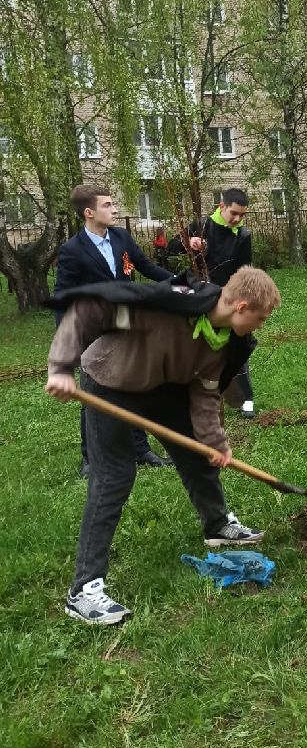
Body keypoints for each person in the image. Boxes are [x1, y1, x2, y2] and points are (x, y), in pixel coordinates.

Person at [46, 265, 281, 625]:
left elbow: (204, 392)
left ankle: (217, 526)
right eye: (260, 319)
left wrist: (215, 443)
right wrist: (61, 366)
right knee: (114, 477)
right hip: (112, 379)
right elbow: (87, 311)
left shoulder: (223, 339)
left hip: (162, 386)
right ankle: (84, 591)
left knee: (197, 454)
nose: (260, 326)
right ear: (241, 307)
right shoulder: (161, 310)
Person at [54, 184, 175, 475]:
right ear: (89, 212)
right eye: (107, 205)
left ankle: (139, 448)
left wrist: (180, 282)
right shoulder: (72, 250)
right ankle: (91, 458)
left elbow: (146, 267)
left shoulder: (121, 237)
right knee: (94, 394)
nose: (115, 209)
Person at [187, 189, 256, 418]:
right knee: (200, 345)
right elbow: (170, 250)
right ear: (221, 206)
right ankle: (201, 396)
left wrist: (238, 298)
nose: (237, 219)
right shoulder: (201, 226)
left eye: (241, 215)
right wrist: (190, 243)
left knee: (237, 344)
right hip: (201, 296)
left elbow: (244, 270)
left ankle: (245, 398)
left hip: (229, 298)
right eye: (234, 213)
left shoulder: (242, 236)